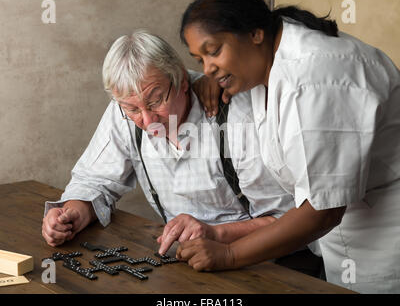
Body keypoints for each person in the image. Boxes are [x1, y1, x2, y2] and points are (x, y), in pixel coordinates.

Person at [178, 0, 400, 293]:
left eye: (213, 51)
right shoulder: (265, 61)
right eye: (200, 60)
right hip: (343, 239)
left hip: (386, 238)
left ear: (255, 32)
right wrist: (216, 75)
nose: (207, 68)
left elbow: (323, 211)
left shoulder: (314, 78)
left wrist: (229, 254)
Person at [41, 30, 299, 263]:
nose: (147, 120)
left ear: (182, 80)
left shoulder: (238, 117)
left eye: (156, 101)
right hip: (186, 264)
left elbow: (289, 219)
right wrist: (71, 215)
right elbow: (94, 182)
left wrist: (215, 234)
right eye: (132, 109)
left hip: (263, 262)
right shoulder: (124, 111)